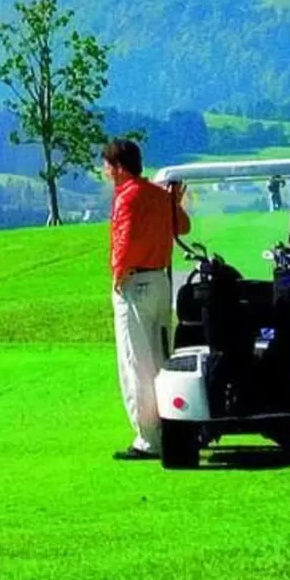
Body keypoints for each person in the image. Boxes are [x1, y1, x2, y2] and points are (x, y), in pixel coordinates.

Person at [103, 138, 190, 461]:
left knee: (136, 362)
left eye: (108, 166)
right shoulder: (158, 194)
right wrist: (174, 204)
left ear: (119, 168)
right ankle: (169, 424)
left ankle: (148, 438)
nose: (106, 172)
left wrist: (118, 273)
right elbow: (183, 226)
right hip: (160, 281)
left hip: (135, 282)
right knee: (158, 356)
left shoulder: (127, 197)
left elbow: (123, 239)